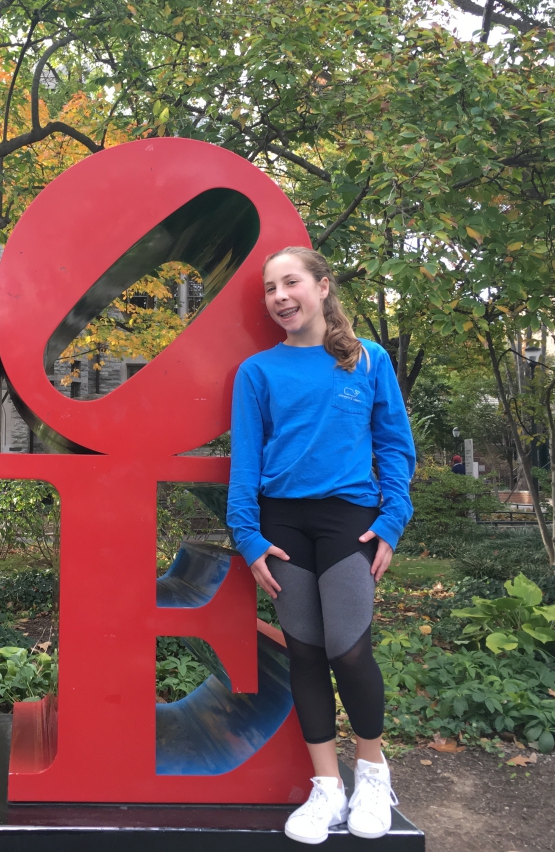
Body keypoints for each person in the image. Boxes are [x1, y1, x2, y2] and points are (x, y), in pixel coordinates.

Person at [227, 246, 415, 845]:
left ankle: (373, 775)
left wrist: (392, 521)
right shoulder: (258, 372)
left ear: (323, 286)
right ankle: (327, 788)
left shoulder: (366, 361)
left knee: (349, 649)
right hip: (281, 526)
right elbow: (245, 464)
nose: (279, 296)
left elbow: (394, 447)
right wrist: (249, 536)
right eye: (269, 289)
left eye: (291, 283)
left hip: (349, 521)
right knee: (305, 652)